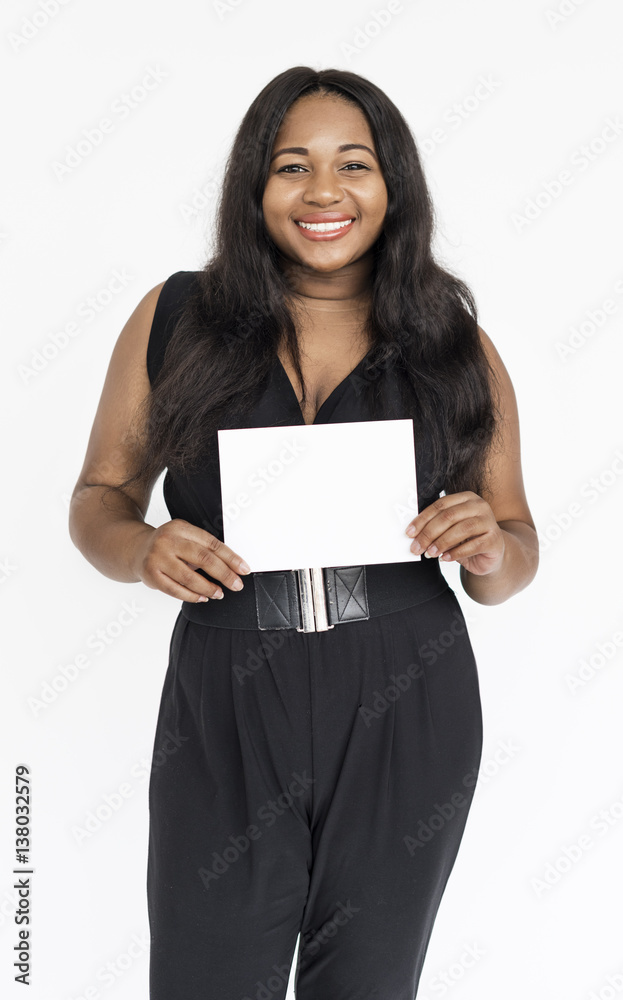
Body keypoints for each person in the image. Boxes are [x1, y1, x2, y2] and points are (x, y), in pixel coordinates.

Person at [68, 66, 538, 1000]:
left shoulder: (451, 338)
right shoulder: (179, 317)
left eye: (352, 164)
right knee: (205, 978)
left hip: (406, 691)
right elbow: (99, 496)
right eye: (292, 166)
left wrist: (490, 546)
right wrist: (141, 545)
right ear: (255, 188)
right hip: (227, 690)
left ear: (391, 185)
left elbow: (512, 548)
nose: (323, 192)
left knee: (366, 983)